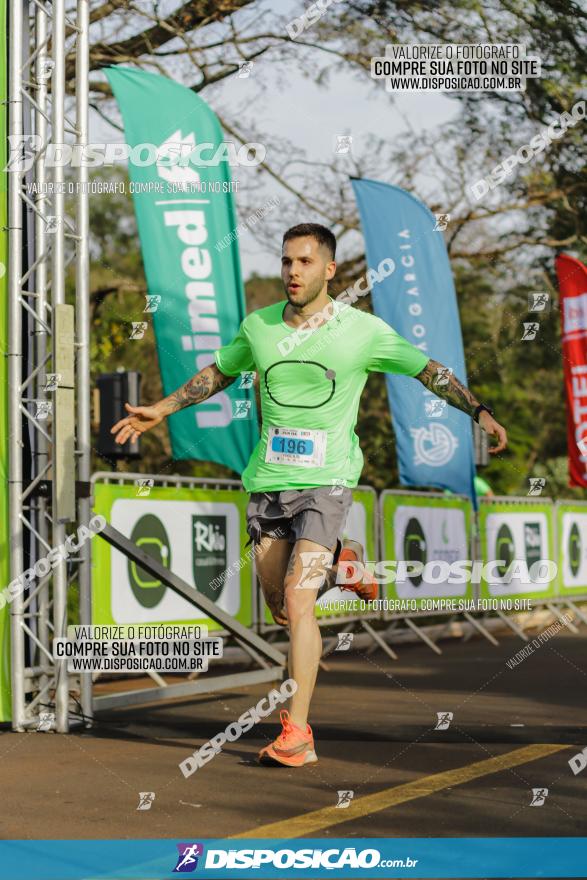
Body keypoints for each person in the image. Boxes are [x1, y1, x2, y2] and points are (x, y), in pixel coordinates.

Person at [111, 223, 508, 768]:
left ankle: (297, 732)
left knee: (300, 601)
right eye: (285, 261)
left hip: (329, 481)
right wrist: (162, 408)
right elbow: (219, 374)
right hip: (270, 482)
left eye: (303, 262)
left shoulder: (361, 331)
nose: (292, 272)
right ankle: (346, 562)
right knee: (279, 607)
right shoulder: (259, 327)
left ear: (329, 270)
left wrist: (479, 411)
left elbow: (428, 370)